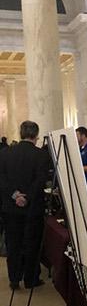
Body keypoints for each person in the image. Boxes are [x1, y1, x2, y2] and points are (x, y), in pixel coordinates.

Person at [0, 121, 52, 290]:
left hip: (10, 207)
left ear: (20, 133)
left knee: (13, 243)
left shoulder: (5, 154)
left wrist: (15, 195)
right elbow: (40, 180)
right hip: (33, 208)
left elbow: (2, 180)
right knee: (32, 243)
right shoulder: (41, 155)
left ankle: (14, 278)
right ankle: (31, 279)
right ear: (36, 135)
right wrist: (27, 197)